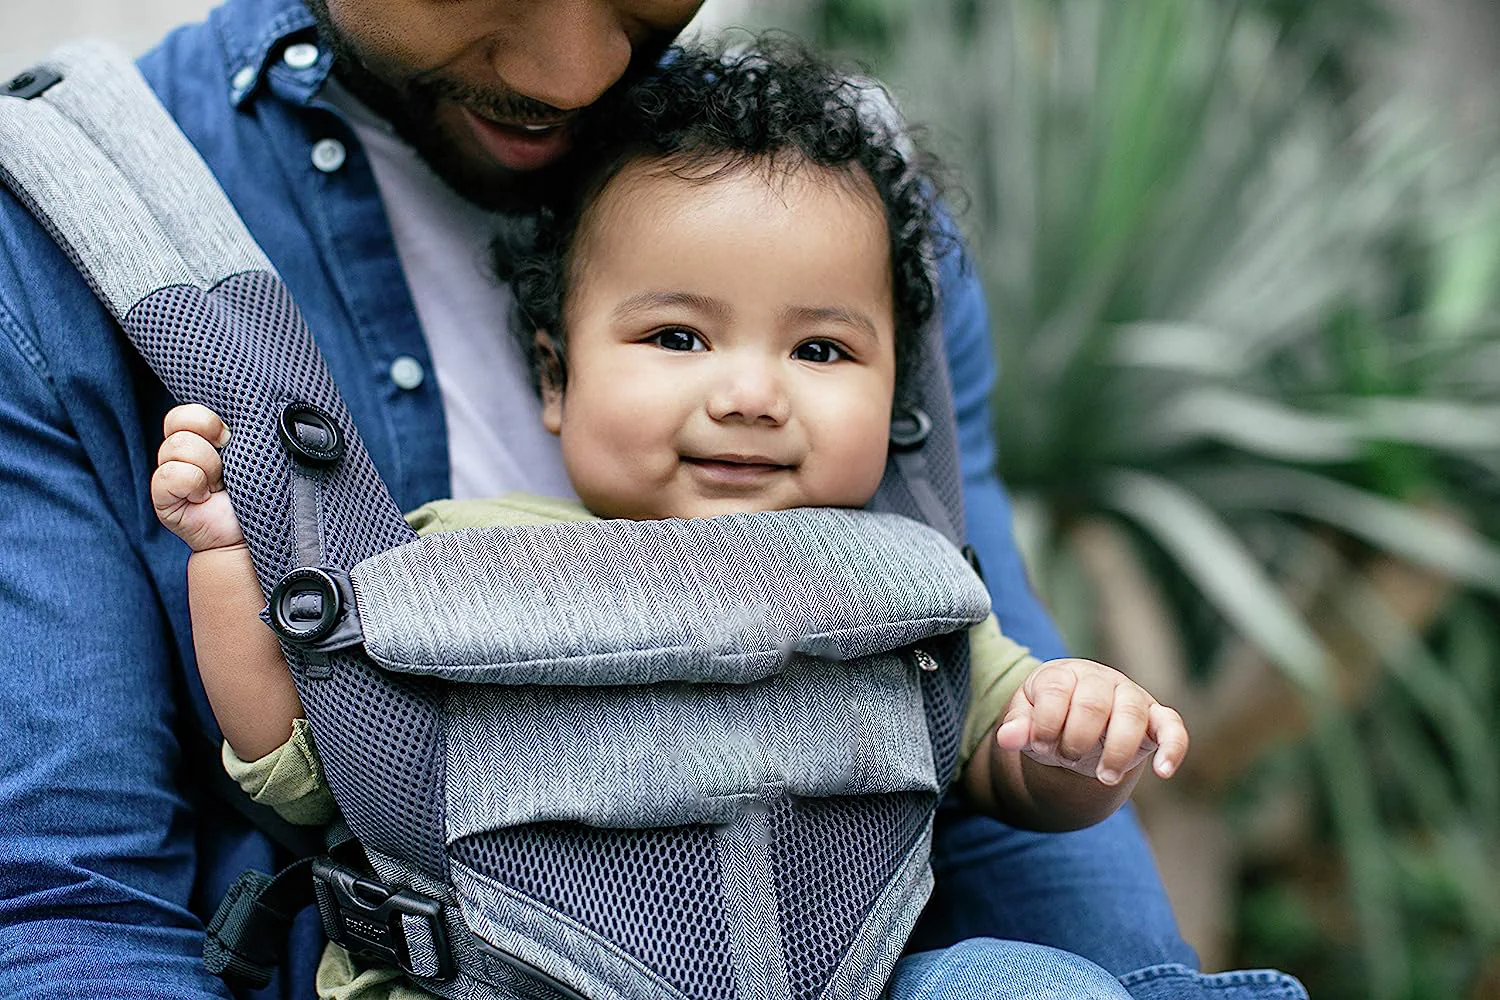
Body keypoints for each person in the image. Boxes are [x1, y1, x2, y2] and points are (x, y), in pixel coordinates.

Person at [0, 1, 1304, 997]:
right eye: (676, 339)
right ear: (552, 374)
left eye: (824, 352)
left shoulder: (850, 215)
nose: (575, 69)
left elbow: (1000, 766)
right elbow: (213, 806)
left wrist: (1069, 743)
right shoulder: (452, 560)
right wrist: (235, 557)